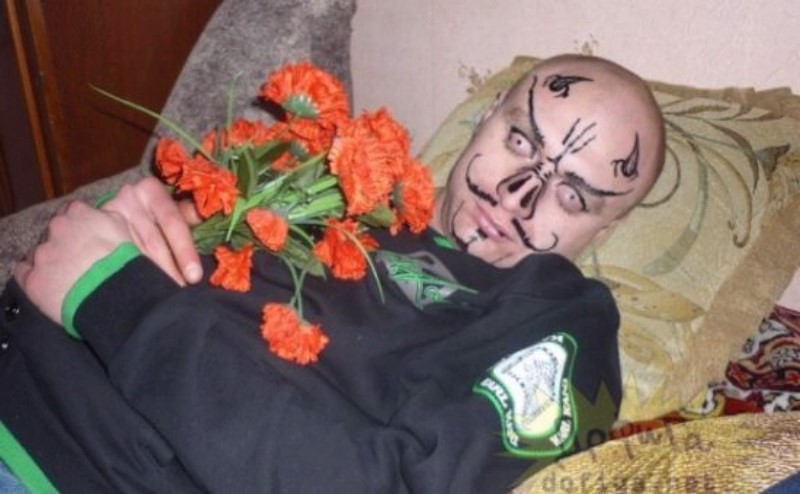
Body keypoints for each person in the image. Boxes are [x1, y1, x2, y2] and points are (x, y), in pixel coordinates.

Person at [0, 54, 665, 493]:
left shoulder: (559, 323)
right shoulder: (348, 174)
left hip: (66, 466)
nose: (516, 198)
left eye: (572, 195)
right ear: (485, 116)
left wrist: (113, 296)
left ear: (605, 231)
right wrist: (147, 227)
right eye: (521, 142)